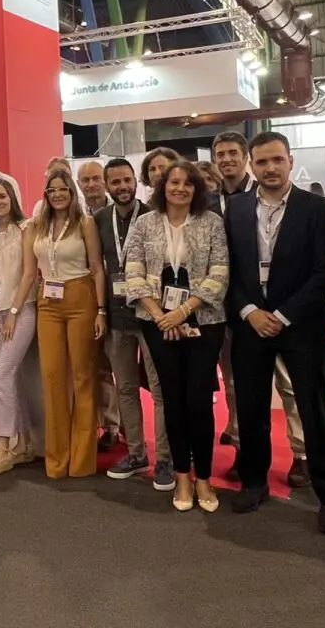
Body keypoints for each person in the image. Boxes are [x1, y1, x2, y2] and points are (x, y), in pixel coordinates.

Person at [223, 132, 325, 532]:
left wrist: (282, 314)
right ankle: (254, 482)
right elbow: (228, 267)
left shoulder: (319, 208)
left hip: (302, 324)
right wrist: (249, 311)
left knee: (314, 410)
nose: (270, 168)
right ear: (252, 165)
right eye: (262, 162)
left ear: (291, 161)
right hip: (250, 324)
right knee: (251, 408)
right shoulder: (236, 208)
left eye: (277, 160)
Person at [124, 160, 229, 511]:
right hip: (157, 323)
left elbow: (219, 274)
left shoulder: (212, 222)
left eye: (187, 183)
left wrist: (182, 312)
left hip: (205, 321)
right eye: (174, 182)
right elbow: (133, 272)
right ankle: (182, 475)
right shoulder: (145, 223)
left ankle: (204, 478)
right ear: (162, 187)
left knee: (198, 400)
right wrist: (161, 317)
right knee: (172, 398)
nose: (180, 188)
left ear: (197, 188)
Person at [211, 139, 307, 484]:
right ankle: (242, 447)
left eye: (233, 153)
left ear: (245, 160)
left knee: (289, 385)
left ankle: (301, 453)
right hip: (230, 308)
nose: (227, 160)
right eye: (220, 155)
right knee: (237, 385)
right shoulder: (210, 201)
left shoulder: (266, 194)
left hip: (278, 309)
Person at [7, 168, 105, 479]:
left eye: (63, 189)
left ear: (72, 192)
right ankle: (57, 458)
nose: (58, 194)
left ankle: (82, 460)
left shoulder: (85, 223)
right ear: (46, 195)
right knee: (52, 378)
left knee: (83, 378)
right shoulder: (36, 226)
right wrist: (13, 309)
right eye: (52, 190)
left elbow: (97, 268)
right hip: (48, 302)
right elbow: (28, 273)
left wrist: (101, 310)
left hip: (81, 298)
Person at [93, 158, 170, 487]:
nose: (122, 187)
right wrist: (100, 310)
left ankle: (165, 458)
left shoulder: (154, 216)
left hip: (151, 316)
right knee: (124, 388)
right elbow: (97, 267)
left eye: (127, 180)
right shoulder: (99, 219)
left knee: (159, 390)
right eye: (115, 182)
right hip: (116, 317)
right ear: (107, 185)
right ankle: (137, 453)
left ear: (135, 181)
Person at [0, 178, 38, 476]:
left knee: (2, 376)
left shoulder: (26, 228)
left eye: (2, 196)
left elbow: (29, 274)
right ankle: (23, 444)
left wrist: (13, 311)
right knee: (9, 379)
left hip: (21, 311)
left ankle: (2, 445)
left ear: (12, 198)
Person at [211, 132, 254, 199]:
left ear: (245, 157)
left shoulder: (261, 194)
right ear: (215, 159)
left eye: (233, 153)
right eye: (220, 154)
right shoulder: (209, 200)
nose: (226, 159)